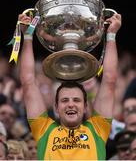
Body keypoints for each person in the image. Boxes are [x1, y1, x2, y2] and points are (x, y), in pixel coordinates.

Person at [18, 11, 121, 160]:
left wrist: (111, 35)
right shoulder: (43, 129)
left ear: (85, 106)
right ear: (56, 107)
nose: (71, 104)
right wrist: (27, 36)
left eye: (77, 100)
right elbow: (28, 82)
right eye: (65, 100)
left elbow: (110, 80)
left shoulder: (97, 129)